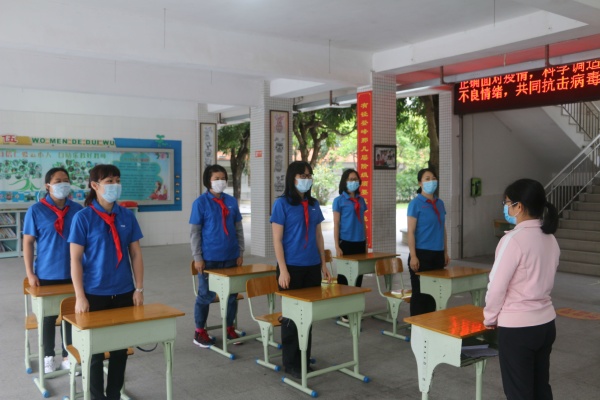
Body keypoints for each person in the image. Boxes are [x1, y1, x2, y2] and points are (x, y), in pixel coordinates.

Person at [69, 164, 144, 400]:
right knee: (95, 352)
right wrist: (80, 296)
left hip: (123, 291)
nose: (115, 185)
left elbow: (136, 254)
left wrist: (139, 288)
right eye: (109, 181)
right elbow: (75, 259)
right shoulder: (83, 218)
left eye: (117, 180)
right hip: (94, 294)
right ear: (95, 185)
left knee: (120, 350)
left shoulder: (127, 216)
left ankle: (114, 395)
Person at [484, 178, 560, 400]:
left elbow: (497, 286)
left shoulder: (513, 240)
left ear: (519, 206)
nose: (506, 207)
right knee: (541, 388)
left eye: (507, 203)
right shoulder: (550, 238)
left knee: (519, 392)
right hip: (546, 324)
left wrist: (490, 317)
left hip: (518, 328)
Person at [270, 161, 331, 379]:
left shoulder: (313, 204)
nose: (306, 179)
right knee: (291, 318)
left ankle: (304, 358)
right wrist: (283, 270)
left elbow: (318, 235)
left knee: (308, 317)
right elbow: (277, 240)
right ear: (292, 178)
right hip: (291, 268)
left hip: (312, 266)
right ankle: (291, 363)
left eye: (309, 175)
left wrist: (323, 263)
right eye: (302, 175)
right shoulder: (282, 204)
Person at [22, 167, 83, 373]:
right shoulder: (36, 210)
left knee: (70, 315)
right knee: (48, 318)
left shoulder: (77, 210)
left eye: (66, 180)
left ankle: (68, 354)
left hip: (73, 273)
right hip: (46, 273)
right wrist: (30, 273)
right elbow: (28, 242)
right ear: (48, 185)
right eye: (58, 181)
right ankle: (48, 356)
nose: (62, 184)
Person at [189, 164, 244, 348]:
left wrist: (240, 251)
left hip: (231, 257)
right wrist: (197, 257)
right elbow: (195, 233)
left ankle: (229, 327)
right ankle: (199, 331)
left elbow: (238, 228)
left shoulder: (231, 201)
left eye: (223, 178)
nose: (221, 181)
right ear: (208, 181)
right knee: (205, 295)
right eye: (216, 178)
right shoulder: (200, 203)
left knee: (231, 295)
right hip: (209, 259)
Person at [406, 168, 449, 315]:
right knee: (420, 295)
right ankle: (416, 325)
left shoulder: (440, 203)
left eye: (433, 178)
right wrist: (413, 256)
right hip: (421, 254)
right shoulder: (415, 203)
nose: (431, 181)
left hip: (438, 254)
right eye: (427, 178)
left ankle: (430, 324)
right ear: (420, 183)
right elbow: (411, 232)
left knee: (434, 294)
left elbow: (442, 229)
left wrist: (445, 252)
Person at [332, 169, 368, 322]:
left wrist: (366, 242)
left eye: (356, 179)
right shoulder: (339, 201)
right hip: (345, 243)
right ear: (344, 182)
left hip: (359, 242)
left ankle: (354, 308)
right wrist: (337, 245)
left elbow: (363, 222)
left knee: (358, 277)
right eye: (350, 179)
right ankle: (343, 311)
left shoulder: (361, 200)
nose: (354, 182)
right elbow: (336, 224)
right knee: (344, 278)